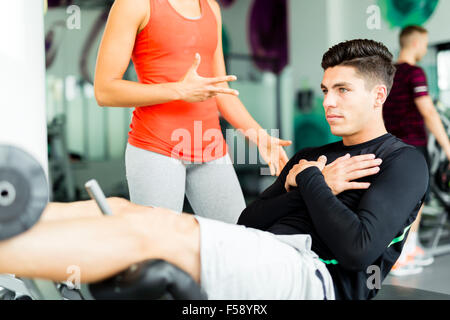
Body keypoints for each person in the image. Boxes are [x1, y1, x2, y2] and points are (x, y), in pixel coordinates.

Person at [0, 39, 428, 300]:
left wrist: (312, 179)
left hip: (315, 279)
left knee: (149, 236)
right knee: (122, 209)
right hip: (264, 252)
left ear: (378, 96)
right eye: (324, 90)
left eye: (342, 90)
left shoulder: (402, 160)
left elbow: (357, 250)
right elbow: (249, 222)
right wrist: (302, 184)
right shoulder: (312, 153)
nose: (327, 102)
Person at [93, 0, 291, 224]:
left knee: (237, 240)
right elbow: (105, 90)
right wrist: (178, 90)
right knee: (160, 251)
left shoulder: (211, 8)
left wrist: (259, 135)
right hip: (157, 147)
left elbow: (220, 90)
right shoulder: (134, 4)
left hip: (210, 148)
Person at [383, 25, 450, 276]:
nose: (424, 48)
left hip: (388, 145)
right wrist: (448, 147)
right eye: (424, 43)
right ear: (414, 43)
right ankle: (398, 258)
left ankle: (408, 250)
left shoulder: (387, 74)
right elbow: (429, 112)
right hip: (412, 145)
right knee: (413, 202)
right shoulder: (414, 73)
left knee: (401, 202)